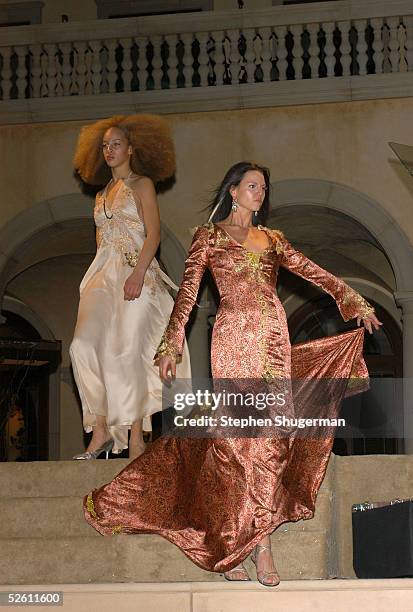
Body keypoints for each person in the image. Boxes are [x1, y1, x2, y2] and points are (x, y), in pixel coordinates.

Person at [83, 161, 381, 586]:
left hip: (273, 340)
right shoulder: (208, 237)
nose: (261, 192)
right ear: (234, 191)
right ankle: (235, 539)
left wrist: (355, 302)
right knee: (236, 447)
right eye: (253, 185)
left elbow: (314, 272)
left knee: (272, 443)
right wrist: (170, 346)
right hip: (232, 340)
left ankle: (259, 543)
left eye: (264, 187)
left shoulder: (274, 240)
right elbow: (187, 295)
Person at [70, 114, 190, 460]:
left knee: (130, 350)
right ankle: (102, 430)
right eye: (105, 145)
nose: (109, 149)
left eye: (116, 144)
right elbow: (101, 242)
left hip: (137, 273)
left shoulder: (142, 185)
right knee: (82, 346)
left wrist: (137, 274)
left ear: (131, 149)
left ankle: (137, 437)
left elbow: (153, 234)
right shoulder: (102, 194)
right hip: (102, 277)